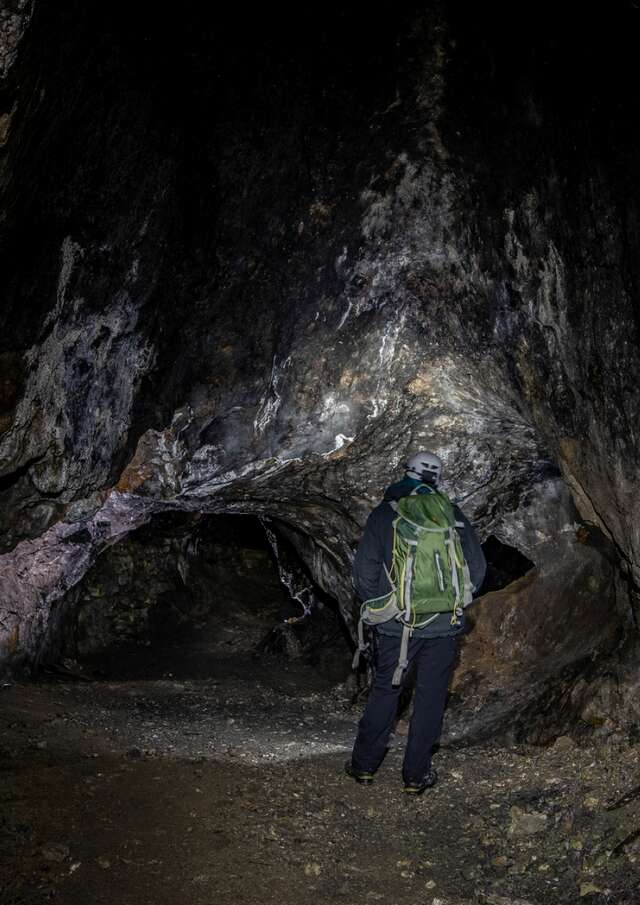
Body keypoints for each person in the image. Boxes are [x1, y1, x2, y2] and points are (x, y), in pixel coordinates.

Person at [345, 451, 486, 795]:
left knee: (386, 691)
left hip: (397, 625)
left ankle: (364, 767)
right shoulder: (451, 515)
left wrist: (384, 607)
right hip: (443, 627)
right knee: (431, 697)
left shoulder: (384, 515)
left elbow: (363, 574)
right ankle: (415, 775)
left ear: (406, 473)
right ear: (437, 479)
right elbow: (477, 569)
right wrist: (452, 605)